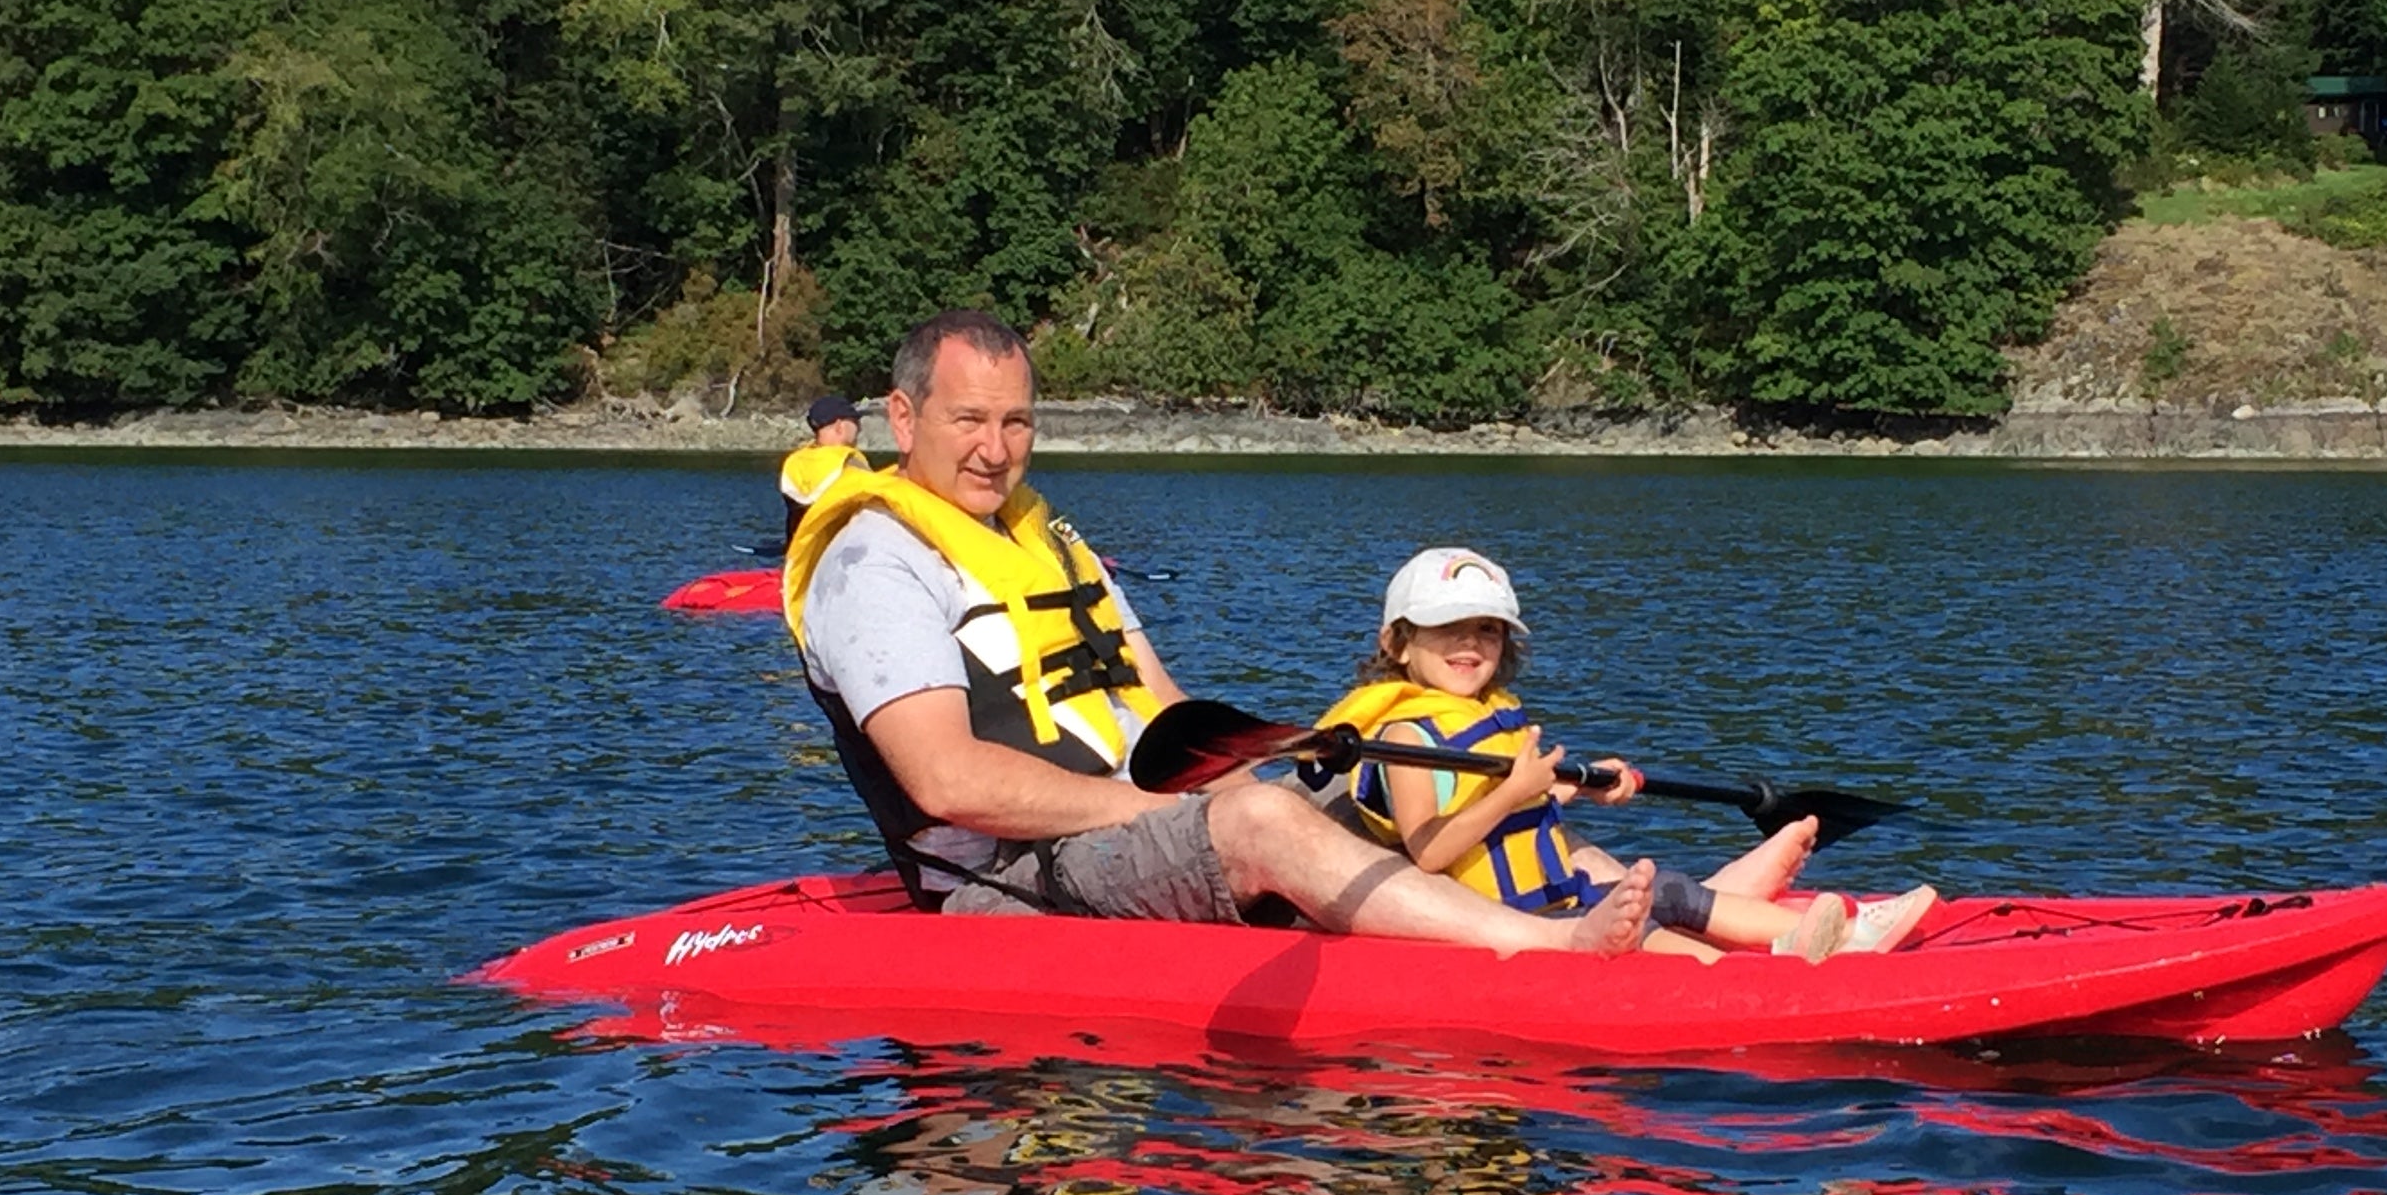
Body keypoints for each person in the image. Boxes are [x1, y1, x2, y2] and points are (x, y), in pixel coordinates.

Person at [782, 310, 1654, 954]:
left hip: (1134, 826)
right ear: (903, 418)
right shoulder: (874, 562)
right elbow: (945, 780)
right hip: (1005, 879)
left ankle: (1686, 909)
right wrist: (1181, 807)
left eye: (1016, 422)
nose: (996, 448)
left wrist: (1276, 776)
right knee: (1264, 826)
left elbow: (1163, 705)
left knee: (1388, 792)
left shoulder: (1044, 535)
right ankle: (1545, 948)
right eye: (968, 420)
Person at [1320, 548, 1936, 963]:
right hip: (1500, 912)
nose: (1469, 642)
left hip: (1553, 886)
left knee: (1668, 888)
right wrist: (1514, 790)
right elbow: (1428, 851)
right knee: (1640, 922)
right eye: (1447, 626)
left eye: (1487, 628)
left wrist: (1576, 785)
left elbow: (1518, 806)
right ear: (1397, 644)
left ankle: (1831, 938)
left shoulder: (1487, 714)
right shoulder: (1406, 737)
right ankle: (1742, 978)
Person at [779, 394, 867, 543]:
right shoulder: (848, 461)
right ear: (840, 427)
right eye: (856, 424)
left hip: (801, 554)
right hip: (840, 555)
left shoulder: (794, 462)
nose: (859, 430)